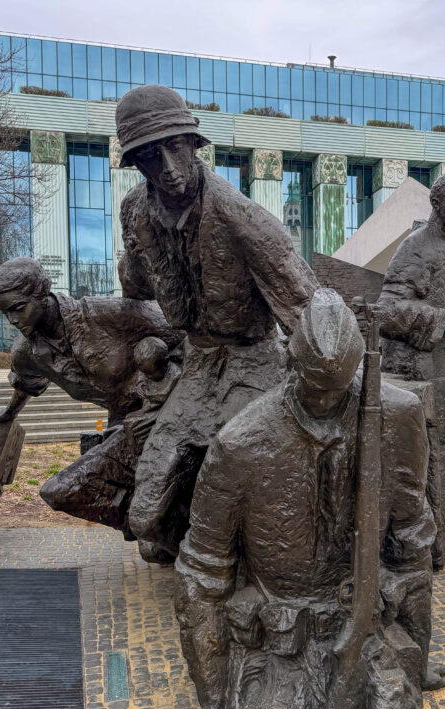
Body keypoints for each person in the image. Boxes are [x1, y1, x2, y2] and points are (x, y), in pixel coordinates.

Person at [150, 290, 445, 709]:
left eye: (340, 388)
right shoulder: (239, 443)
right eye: (316, 387)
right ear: (291, 364)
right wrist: (211, 703)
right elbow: (201, 577)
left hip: (364, 625)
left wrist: (416, 652)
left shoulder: (398, 415)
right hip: (277, 638)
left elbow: (412, 539)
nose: (328, 402)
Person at [115, 84, 318, 564]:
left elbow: (308, 312)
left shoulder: (244, 219)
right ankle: (193, 547)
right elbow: (137, 285)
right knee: (145, 513)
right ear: (137, 163)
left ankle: (230, 566)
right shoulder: (135, 211)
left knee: (229, 464)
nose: (167, 167)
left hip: (255, 361)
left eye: (175, 147)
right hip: (199, 362)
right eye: (150, 156)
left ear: (194, 144)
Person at [0, 257, 183, 536]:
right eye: (5, 314)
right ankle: (160, 529)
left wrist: (172, 395)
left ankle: (161, 531)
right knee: (62, 492)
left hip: (171, 408)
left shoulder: (108, 314)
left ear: (41, 293)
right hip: (125, 426)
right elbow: (26, 383)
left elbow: (187, 336)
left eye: (18, 308)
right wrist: (10, 412)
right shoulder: (26, 352)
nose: (13, 320)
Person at [376, 173, 445, 558]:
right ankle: (428, 546)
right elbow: (386, 310)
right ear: (436, 204)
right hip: (423, 371)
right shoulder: (415, 247)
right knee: (428, 454)